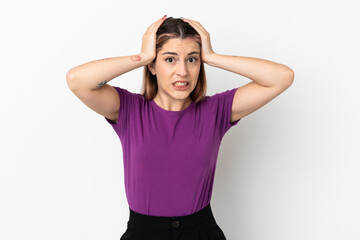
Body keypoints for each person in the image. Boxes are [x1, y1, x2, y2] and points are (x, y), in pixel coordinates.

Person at [66, 15, 294, 240]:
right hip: (144, 233)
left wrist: (213, 57)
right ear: (153, 66)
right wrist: (143, 56)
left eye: (192, 59)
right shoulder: (129, 110)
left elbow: (282, 77)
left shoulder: (216, 110)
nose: (183, 71)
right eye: (170, 59)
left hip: (201, 232)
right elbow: (77, 80)